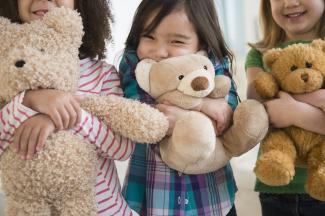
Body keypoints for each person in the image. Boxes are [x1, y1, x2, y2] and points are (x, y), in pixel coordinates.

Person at [0, 0, 134, 215]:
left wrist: (62, 115)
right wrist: (28, 101)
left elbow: (121, 149)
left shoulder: (102, 74)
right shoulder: (7, 74)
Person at [119, 0, 239, 215]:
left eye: (176, 41)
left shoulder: (213, 63)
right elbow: (138, 111)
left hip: (212, 196)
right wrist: (203, 110)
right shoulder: (135, 65)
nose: (159, 51)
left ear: (201, 43)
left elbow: (227, 113)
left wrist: (199, 107)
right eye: (149, 37)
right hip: (153, 197)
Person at [245, 0, 325, 215]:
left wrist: (294, 112)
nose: (290, 2)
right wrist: (319, 99)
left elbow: (278, 108)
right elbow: (259, 111)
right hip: (276, 189)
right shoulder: (260, 54)